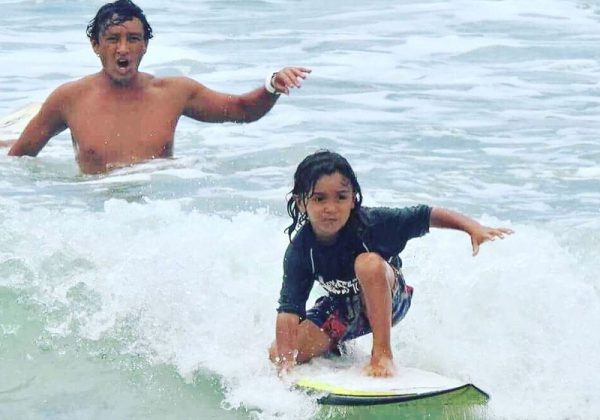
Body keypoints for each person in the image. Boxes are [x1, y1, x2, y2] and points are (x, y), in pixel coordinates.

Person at [268, 150, 513, 378]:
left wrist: (472, 227)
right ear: (301, 203)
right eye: (319, 199)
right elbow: (289, 310)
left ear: (353, 199)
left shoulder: (373, 223)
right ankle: (337, 351)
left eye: (341, 197)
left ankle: (382, 354)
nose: (330, 208)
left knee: (368, 264)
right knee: (279, 351)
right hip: (343, 308)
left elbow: (425, 215)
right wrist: (286, 365)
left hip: (391, 299)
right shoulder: (300, 250)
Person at [1, 0, 310, 174]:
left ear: (145, 46)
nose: (123, 49)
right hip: (93, 213)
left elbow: (241, 110)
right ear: (96, 45)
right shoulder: (69, 99)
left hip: (157, 210)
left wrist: (271, 85)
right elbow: (20, 159)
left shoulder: (172, 92)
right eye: (113, 39)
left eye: (133, 39)